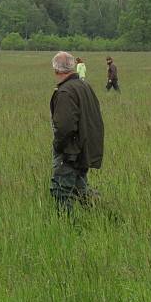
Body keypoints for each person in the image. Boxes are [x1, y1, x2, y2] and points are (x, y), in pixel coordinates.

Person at [50, 51, 105, 214]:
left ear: (56, 70)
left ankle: (66, 227)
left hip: (71, 152)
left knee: (61, 191)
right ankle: (105, 217)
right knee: (81, 189)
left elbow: (64, 127)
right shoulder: (84, 86)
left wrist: (58, 147)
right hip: (84, 148)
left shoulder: (66, 91)